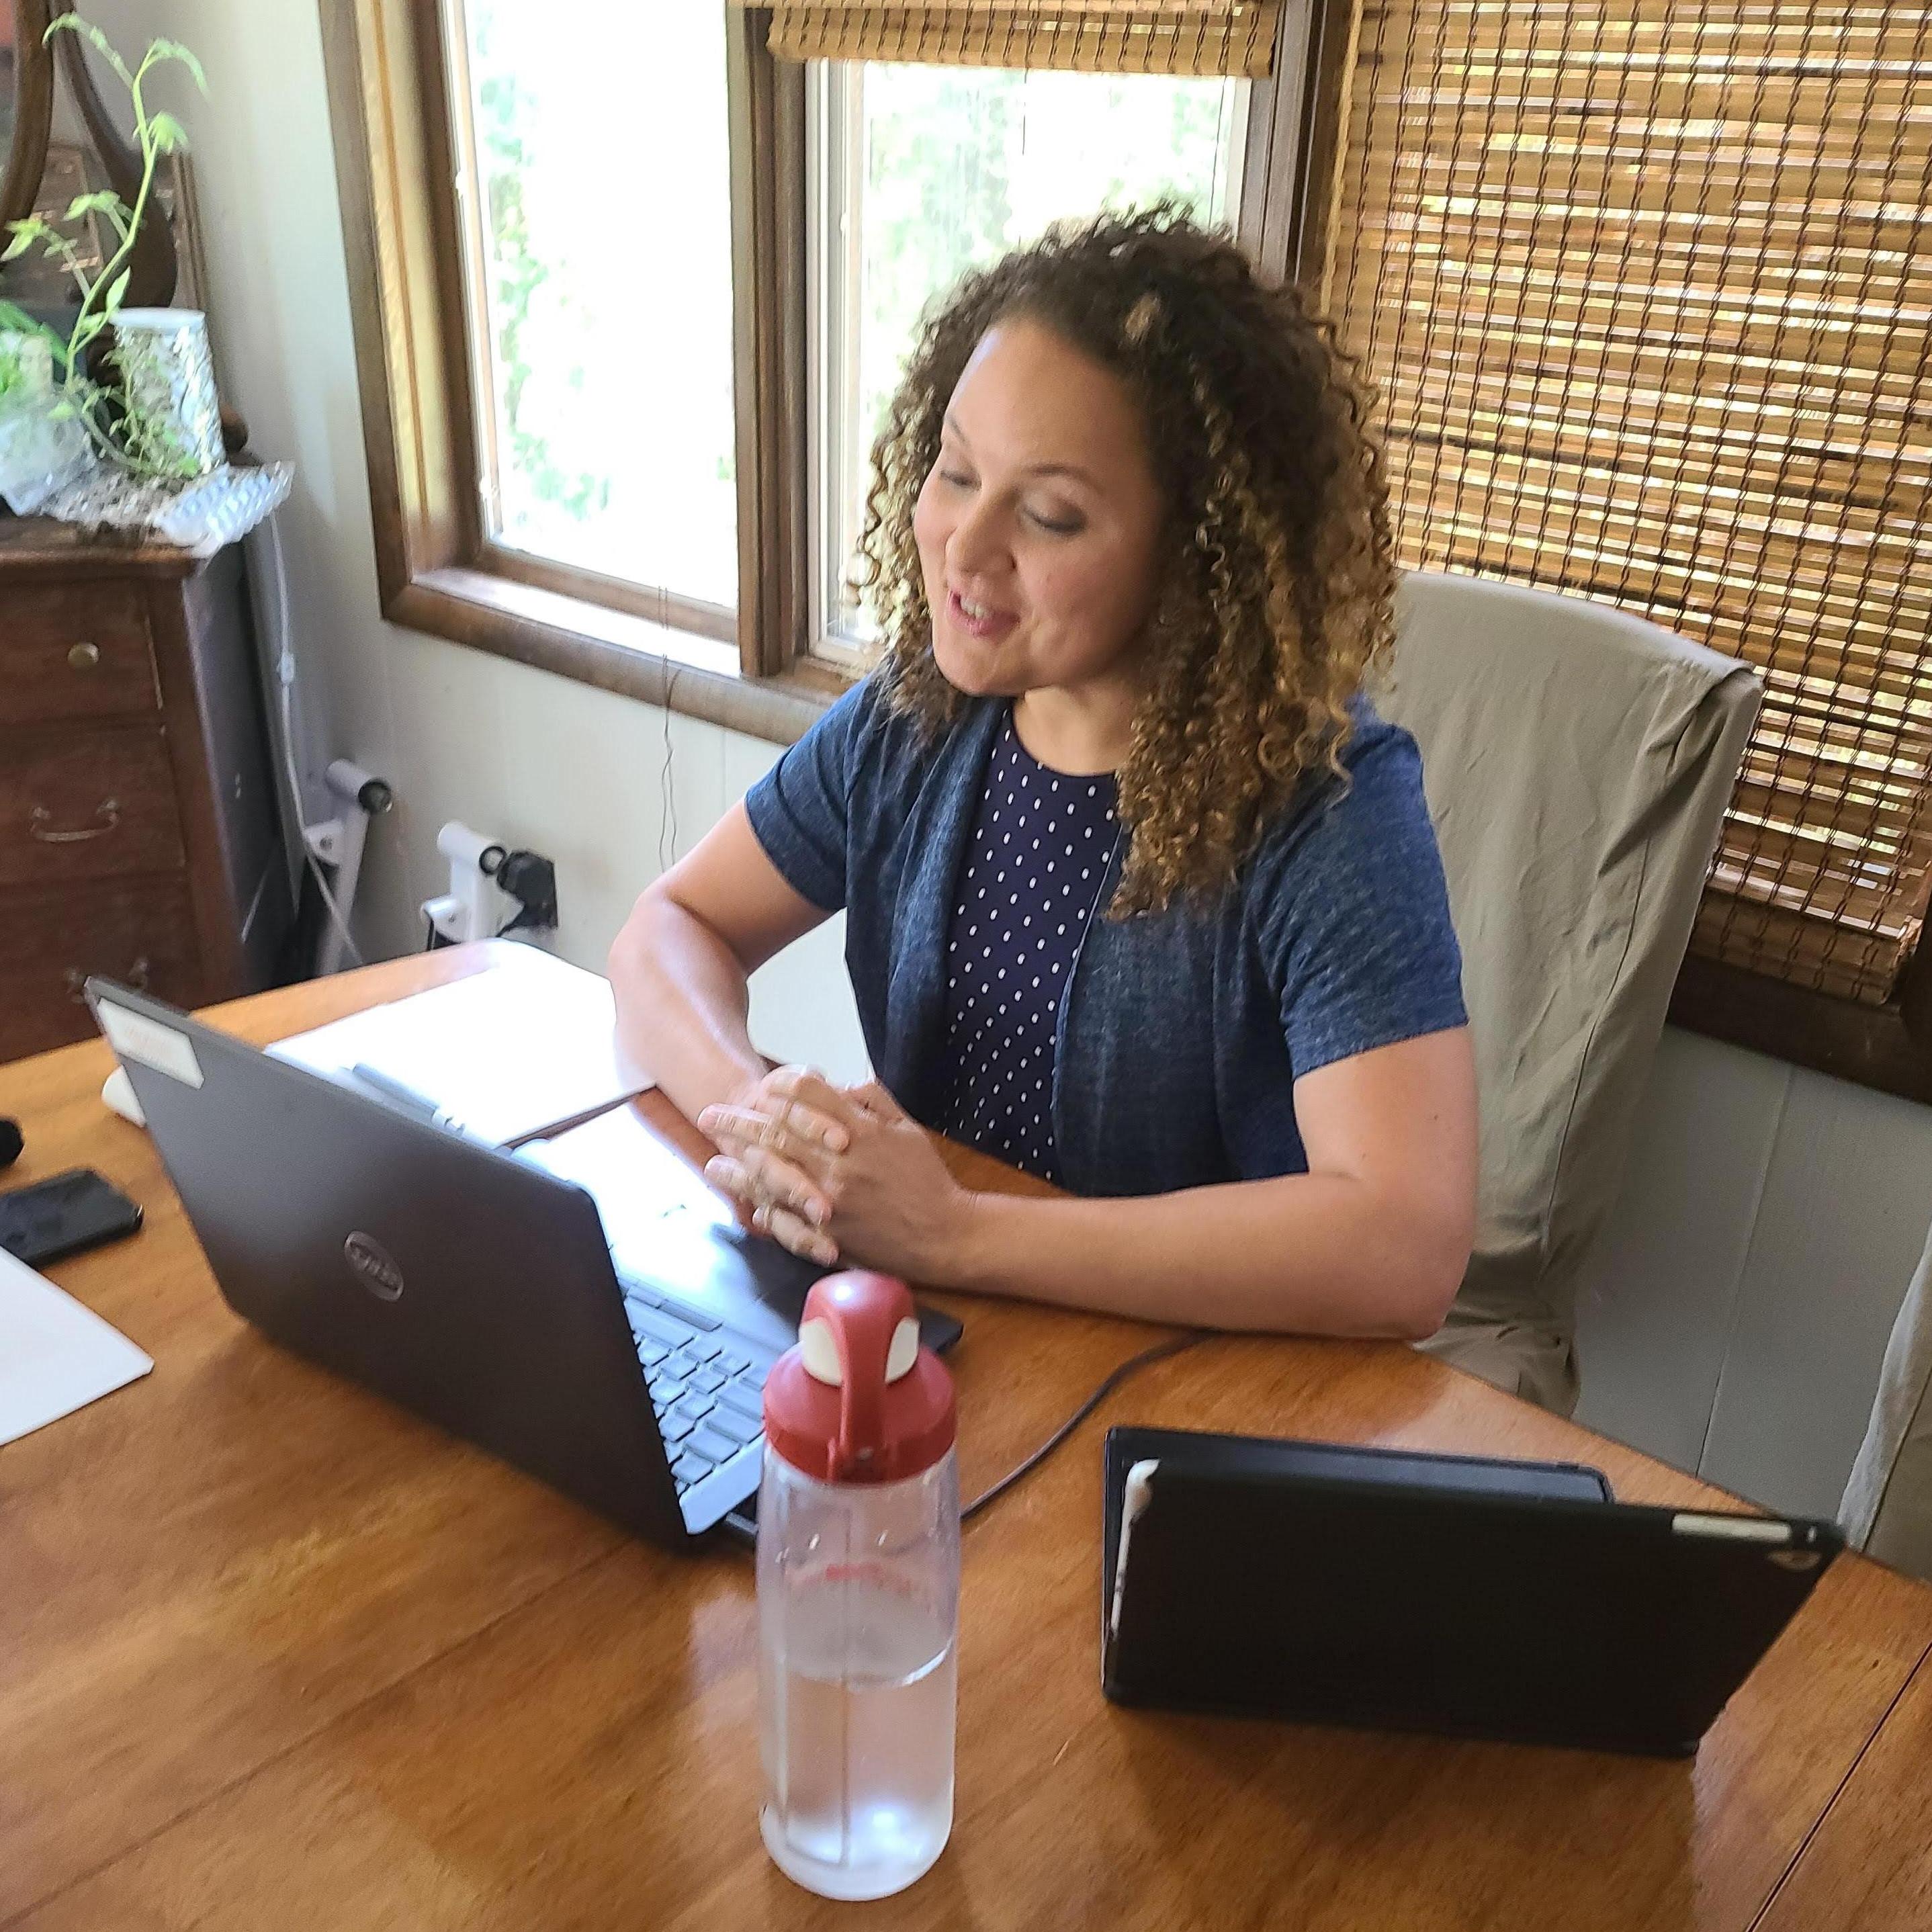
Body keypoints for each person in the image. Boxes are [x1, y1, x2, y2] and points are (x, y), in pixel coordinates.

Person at [610, 209, 1477, 1337]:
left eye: (1051, 515)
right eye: (956, 472)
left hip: (1200, 1383)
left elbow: (1404, 1243)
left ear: (1194, 555)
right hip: (948, 1341)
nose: (965, 550)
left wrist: (957, 1232)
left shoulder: (1328, 804)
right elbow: (670, 926)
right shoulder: (911, 719)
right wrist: (768, 1126)